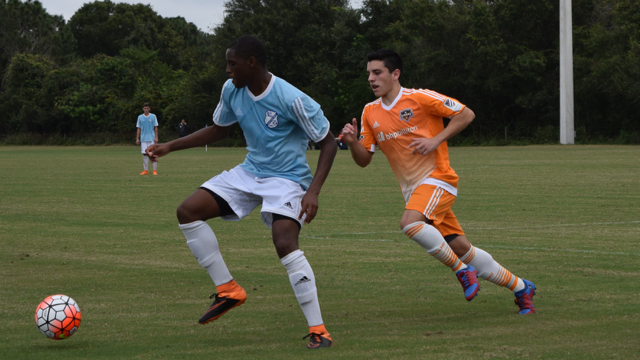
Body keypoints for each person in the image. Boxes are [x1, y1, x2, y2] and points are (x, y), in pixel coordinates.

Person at [146, 35, 337, 349]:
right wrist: (170, 146)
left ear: (252, 63)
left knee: (285, 241)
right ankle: (228, 289)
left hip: (288, 179)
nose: (227, 70)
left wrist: (312, 192)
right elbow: (219, 129)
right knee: (188, 211)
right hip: (250, 172)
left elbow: (328, 143)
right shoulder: (232, 90)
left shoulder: (293, 98)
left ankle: (319, 330)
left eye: (232, 63)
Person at [341, 49, 536, 315]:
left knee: (409, 224)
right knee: (462, 248)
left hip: (439, 179)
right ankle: (521, 287)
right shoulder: (369, 112)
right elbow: (364, 160)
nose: (371, 79)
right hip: (415, 192)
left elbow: (466, 114)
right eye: (368, 74)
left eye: (377, 73)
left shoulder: (420, 98)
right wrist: (352, 142)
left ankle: (462, 272)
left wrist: (436, 140)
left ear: (395, 74)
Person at [136, 103, 159, 175]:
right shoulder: (140, 117)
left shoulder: (153, 116)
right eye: (145, 108)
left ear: (149, 109)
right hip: (143, 139)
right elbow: (138, 128)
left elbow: (156, 127)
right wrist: (137, 138)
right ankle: (145, 170)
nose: (146, 110)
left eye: (147, 108)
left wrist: (156, 137)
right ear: (143, 109)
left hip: (151, 138)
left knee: (152, 153)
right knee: (145, 154)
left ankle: (154, 170)